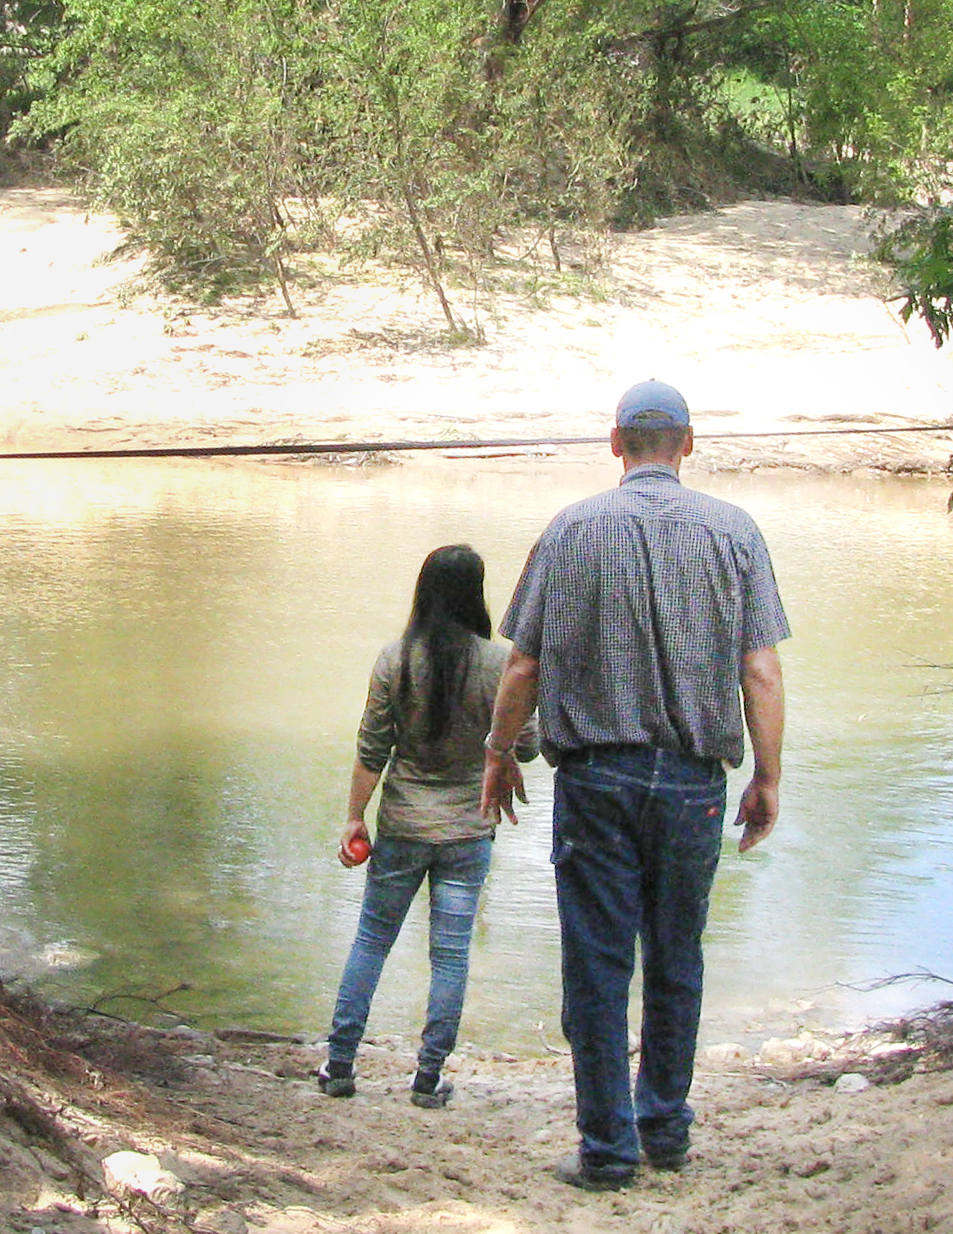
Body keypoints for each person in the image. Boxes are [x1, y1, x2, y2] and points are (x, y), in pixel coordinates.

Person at [481, 379, 788, 1190]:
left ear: (614, 441)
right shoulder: (735, 531)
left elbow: (523, 662)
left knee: (596, 961)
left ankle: (607, 1149)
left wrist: (497, 750)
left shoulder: (571, 529)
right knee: (676, 956)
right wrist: (768, 775)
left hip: (596, 779)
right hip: (694, 782)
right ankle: (664, 1127)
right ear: (688, 443)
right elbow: (758, 666)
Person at [319, 543, 535, 1109]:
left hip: (403, 827)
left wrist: (353, 817)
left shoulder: (395, 659)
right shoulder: (500, 663)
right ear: (477, 593)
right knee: (452, 954)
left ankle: (339, 1065)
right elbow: (530, 744)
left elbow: (373, 750)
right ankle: (427, 1077)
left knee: (371, 940)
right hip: (469, 829)